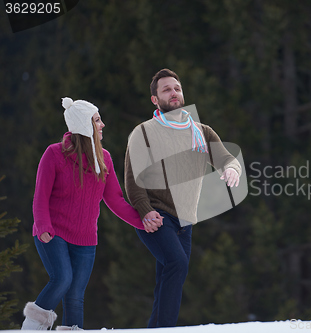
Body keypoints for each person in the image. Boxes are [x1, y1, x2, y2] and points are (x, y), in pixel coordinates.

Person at [22, 97, 161, 331]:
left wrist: (142, 220)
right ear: (84, 125)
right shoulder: (54, 154)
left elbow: (115, 199)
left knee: (76, 294)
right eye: (97, 120)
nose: (102, 124)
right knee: (63, 278)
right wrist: (43, 225)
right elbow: (40, 196)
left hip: (85, 238)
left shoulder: (103, 158)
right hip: (53, 232)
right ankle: (32, 327)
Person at [124, 68, 241, 327]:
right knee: (177, 264)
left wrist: (232, 168)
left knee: (170, 274)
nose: (173, 93)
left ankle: (156, 329)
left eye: (176, 88)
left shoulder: (201, 131)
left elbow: (225, 158)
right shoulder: (143, 133)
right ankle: (165, 330)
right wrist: (145, 211)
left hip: (185, 221)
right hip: (156, 215)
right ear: (155, 99)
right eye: (166, 89)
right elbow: (133, 181)